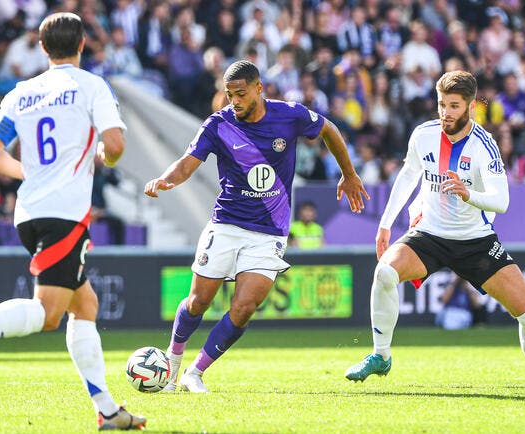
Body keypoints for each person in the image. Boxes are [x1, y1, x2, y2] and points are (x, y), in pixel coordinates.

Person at [144, 60, 369, 393]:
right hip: (226, 225)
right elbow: (187, 163)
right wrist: (165, 179)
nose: (234, 100)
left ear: (259, 88)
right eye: (229, 94)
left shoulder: (290, 115)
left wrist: (349, 174)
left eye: (240, 93)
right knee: (197, 303)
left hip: (269, 233)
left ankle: (195, 372)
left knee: (244, 308)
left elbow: (329, 129)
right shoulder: (218, 125)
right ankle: (171, 365)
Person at [344, 70, 525, 387]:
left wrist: (470, 195)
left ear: (470, 108)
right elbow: (409, 175)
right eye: (441, 104)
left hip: (476, 242)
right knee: (384, 272)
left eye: (453, 106)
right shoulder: (423, 135)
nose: (445, 113)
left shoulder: (485, 145)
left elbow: (502, 201)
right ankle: (381, 356)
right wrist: (385, 224)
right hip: (429, 235)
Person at [0, 13, 146, 430]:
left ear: (42, 49)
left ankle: (107, 410)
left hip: (28, 212)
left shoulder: (20, 93)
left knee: (86, 306)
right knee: (48, 315)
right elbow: (114, 144)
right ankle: (107, 411)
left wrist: (26, 172)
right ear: (83, 44)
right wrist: (106, 156)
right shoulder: (91, 86)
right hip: (64, 215)